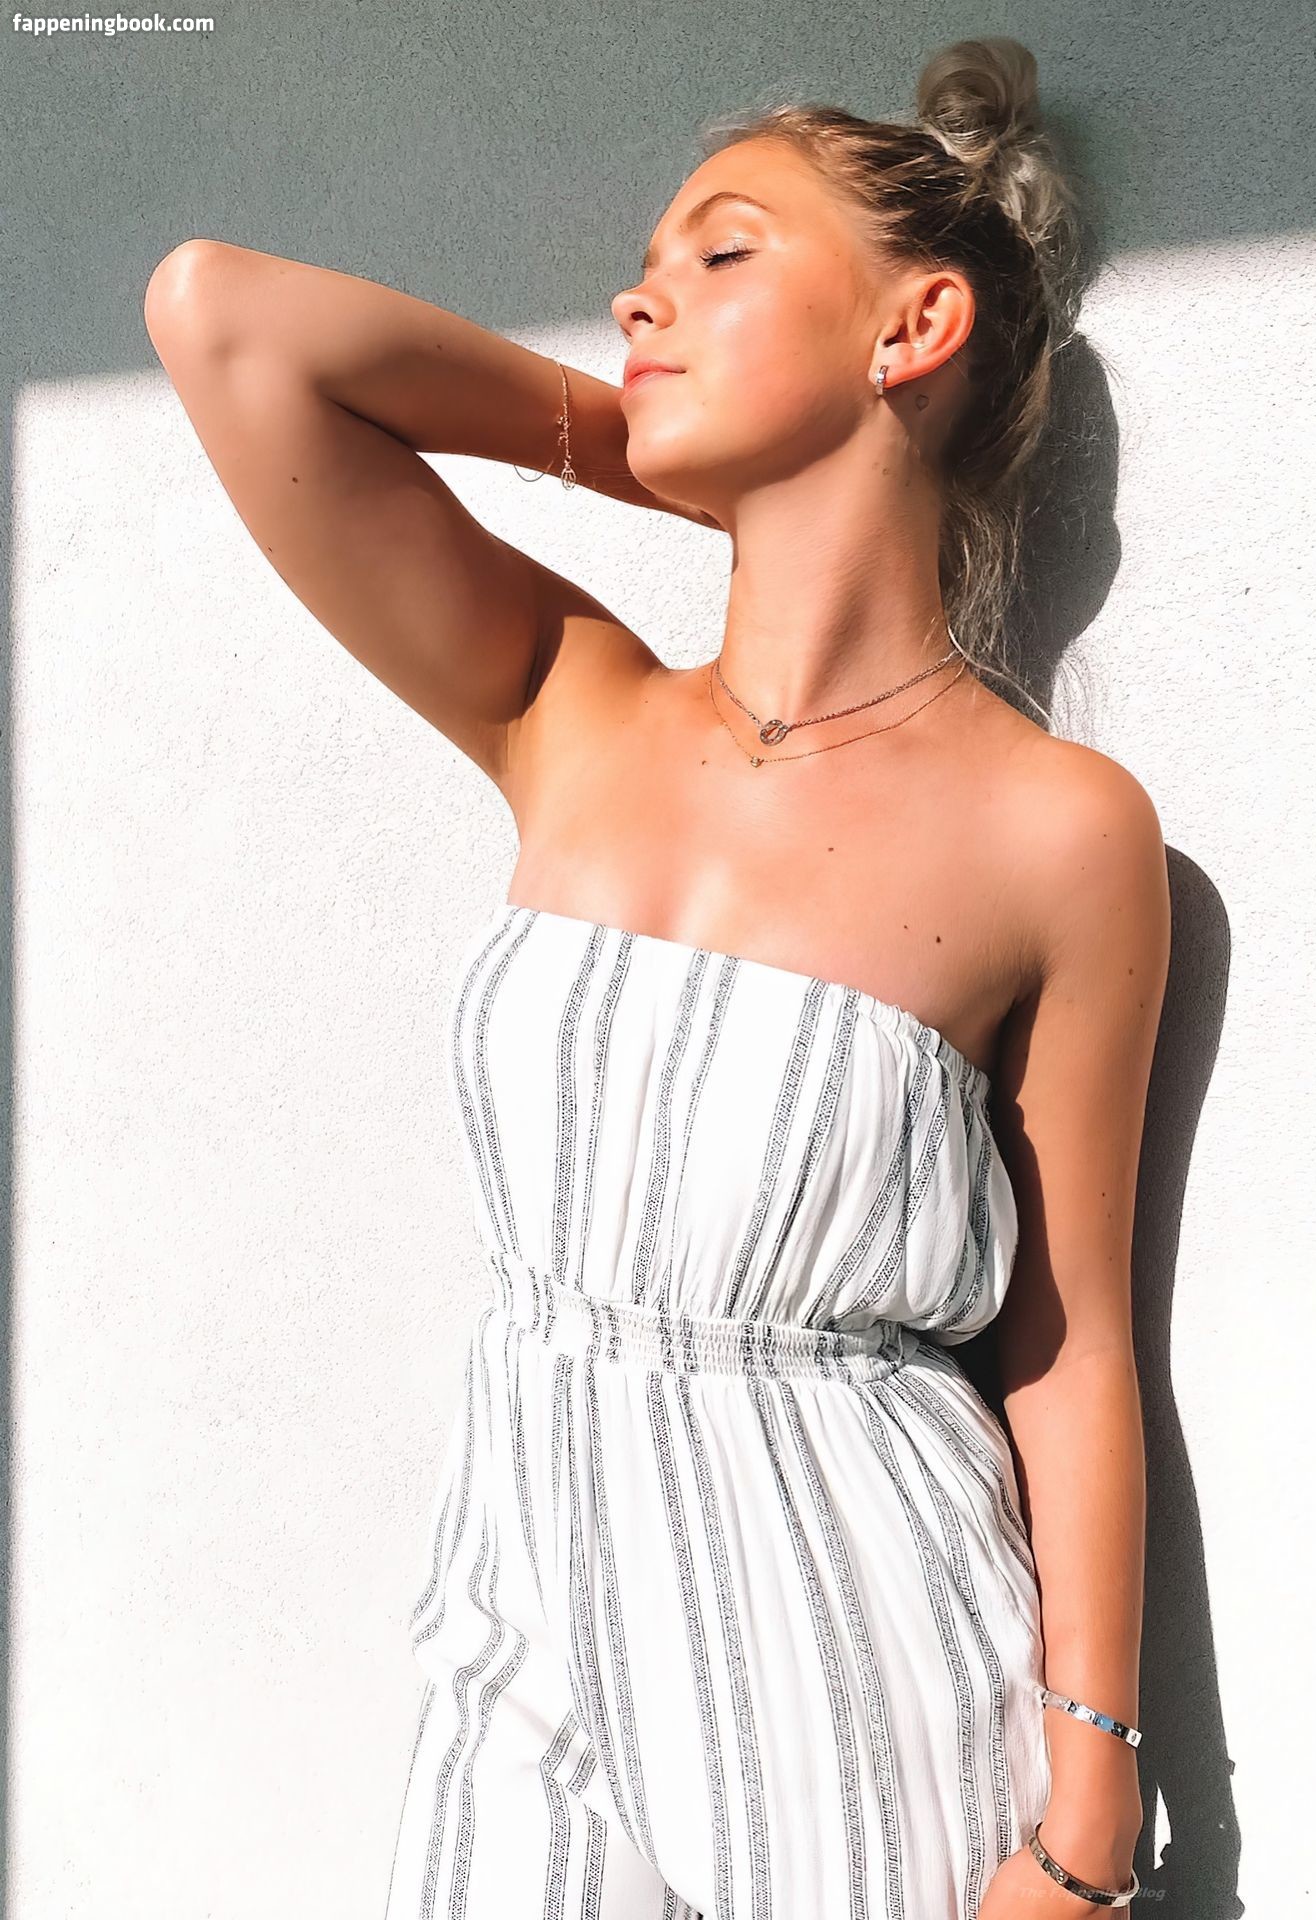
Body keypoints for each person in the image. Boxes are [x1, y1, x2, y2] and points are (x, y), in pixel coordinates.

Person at [144, 34, 1168, 1917]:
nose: (640, 297)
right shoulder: (568, 706)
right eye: (647, 267)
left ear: (913, 325)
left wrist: (1088, 1808)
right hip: (521, 1599)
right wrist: (661, 451)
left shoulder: (1055, 830)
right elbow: (224, 321)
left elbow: (1069, 1341)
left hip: (850, 1646)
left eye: (721, 253)